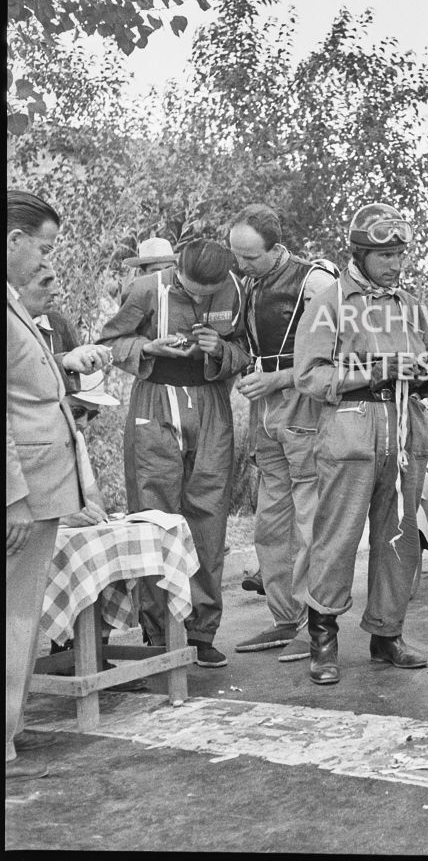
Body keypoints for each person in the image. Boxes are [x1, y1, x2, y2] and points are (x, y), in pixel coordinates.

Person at [294, 203, 428, 684]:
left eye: (400, 254)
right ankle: (323, 639)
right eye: (385, 256)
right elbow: (310, 376)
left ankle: (387, 634)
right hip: (351, 432)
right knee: (336, 539)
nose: (396, 264)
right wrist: (375, 372)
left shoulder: (410, 304)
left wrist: (423, 372)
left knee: (399, 537)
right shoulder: (329, 302)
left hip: (405, 431)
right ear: (360, 254)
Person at [99, 239, 249, 668]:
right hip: (155, 400)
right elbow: (110, 342)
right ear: (177, 269)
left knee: (209, 515)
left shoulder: (235, 289)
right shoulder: (146, 289)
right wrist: (149, 348)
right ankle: (159, 632)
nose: (200, 299)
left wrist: (219, 349)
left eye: (208, 293)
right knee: (154, 516)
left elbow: (244, 350)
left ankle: (202, 631)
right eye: (191, 290)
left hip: (210, 403)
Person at [7, 191, 108, 783]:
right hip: (24, 493)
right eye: (42, 248)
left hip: (40, 488)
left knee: (20, 619)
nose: (46, 260)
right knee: (13, 619)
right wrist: (14, 498)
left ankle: (12, 728)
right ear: (14, 240)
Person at [229, 204, 338, 662]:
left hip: (303, 404)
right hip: (266, 409)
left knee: (310, 521)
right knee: (270, 520)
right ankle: (283, 618)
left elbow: (340, 354)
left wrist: (277, 378)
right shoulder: (250, 283)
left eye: (250, 257)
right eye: (237, 256)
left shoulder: (316, 282)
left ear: (276, 248)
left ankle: (317, 626)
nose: (241, 266)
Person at [119, 236, 177, 303]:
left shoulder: (184, 297)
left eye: (169, 270)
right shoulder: (136, 302)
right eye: (156, 272)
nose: (164, 276)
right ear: (142, 274)